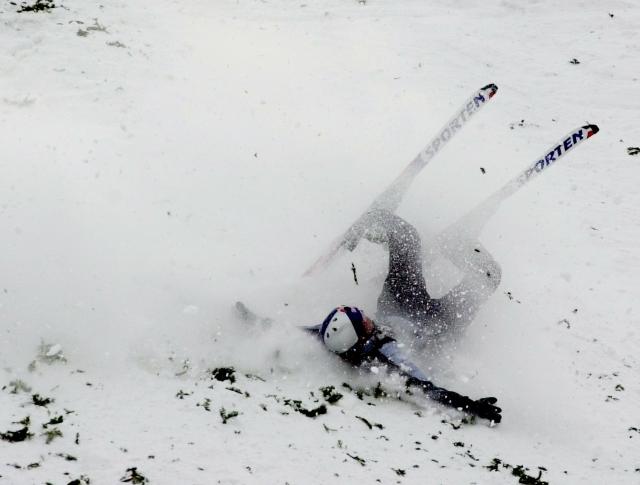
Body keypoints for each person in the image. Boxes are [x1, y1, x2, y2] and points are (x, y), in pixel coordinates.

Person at [304, 209, 502, 423]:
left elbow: (294, 333)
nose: (367, 316)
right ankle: (456, 244)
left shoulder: (334, 336)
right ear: (360, 338)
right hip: (437, 326)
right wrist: (470, 406)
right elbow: (426, 390)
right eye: (364, 321)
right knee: (488, 277)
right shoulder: (388, 357)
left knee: (407, 236)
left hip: (400, 305)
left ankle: (378, 218)